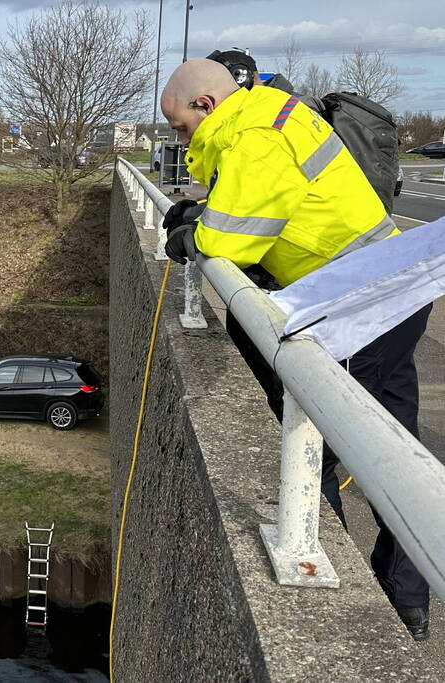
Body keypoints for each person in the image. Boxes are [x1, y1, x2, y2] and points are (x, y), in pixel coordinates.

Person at [159, 59, 433, 641]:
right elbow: (270, 209)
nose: (182, 142)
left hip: (358, 302)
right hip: (388, 287)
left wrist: (190, 232)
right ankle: (407, 601)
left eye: (181, 128)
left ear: (207, 105)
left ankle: (354, 610)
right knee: (398, 446)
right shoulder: (272, 114)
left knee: (321, 449)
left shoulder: (254, 138)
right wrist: (201, 214)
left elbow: (232, 239)